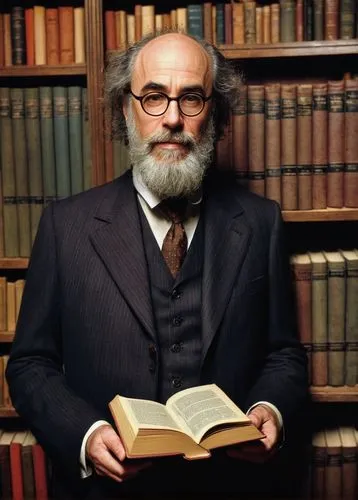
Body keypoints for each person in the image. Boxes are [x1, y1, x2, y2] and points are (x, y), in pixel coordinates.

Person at [6, 32, 308, 499]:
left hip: (230, 487)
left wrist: (272, 408)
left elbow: (283, 353)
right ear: (125, 110)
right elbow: (30, 364)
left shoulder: (261, 221)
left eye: (191, 98)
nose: (172, 118)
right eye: (153, 98)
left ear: (215, 115)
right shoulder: (65, 226)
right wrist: (85, 436)